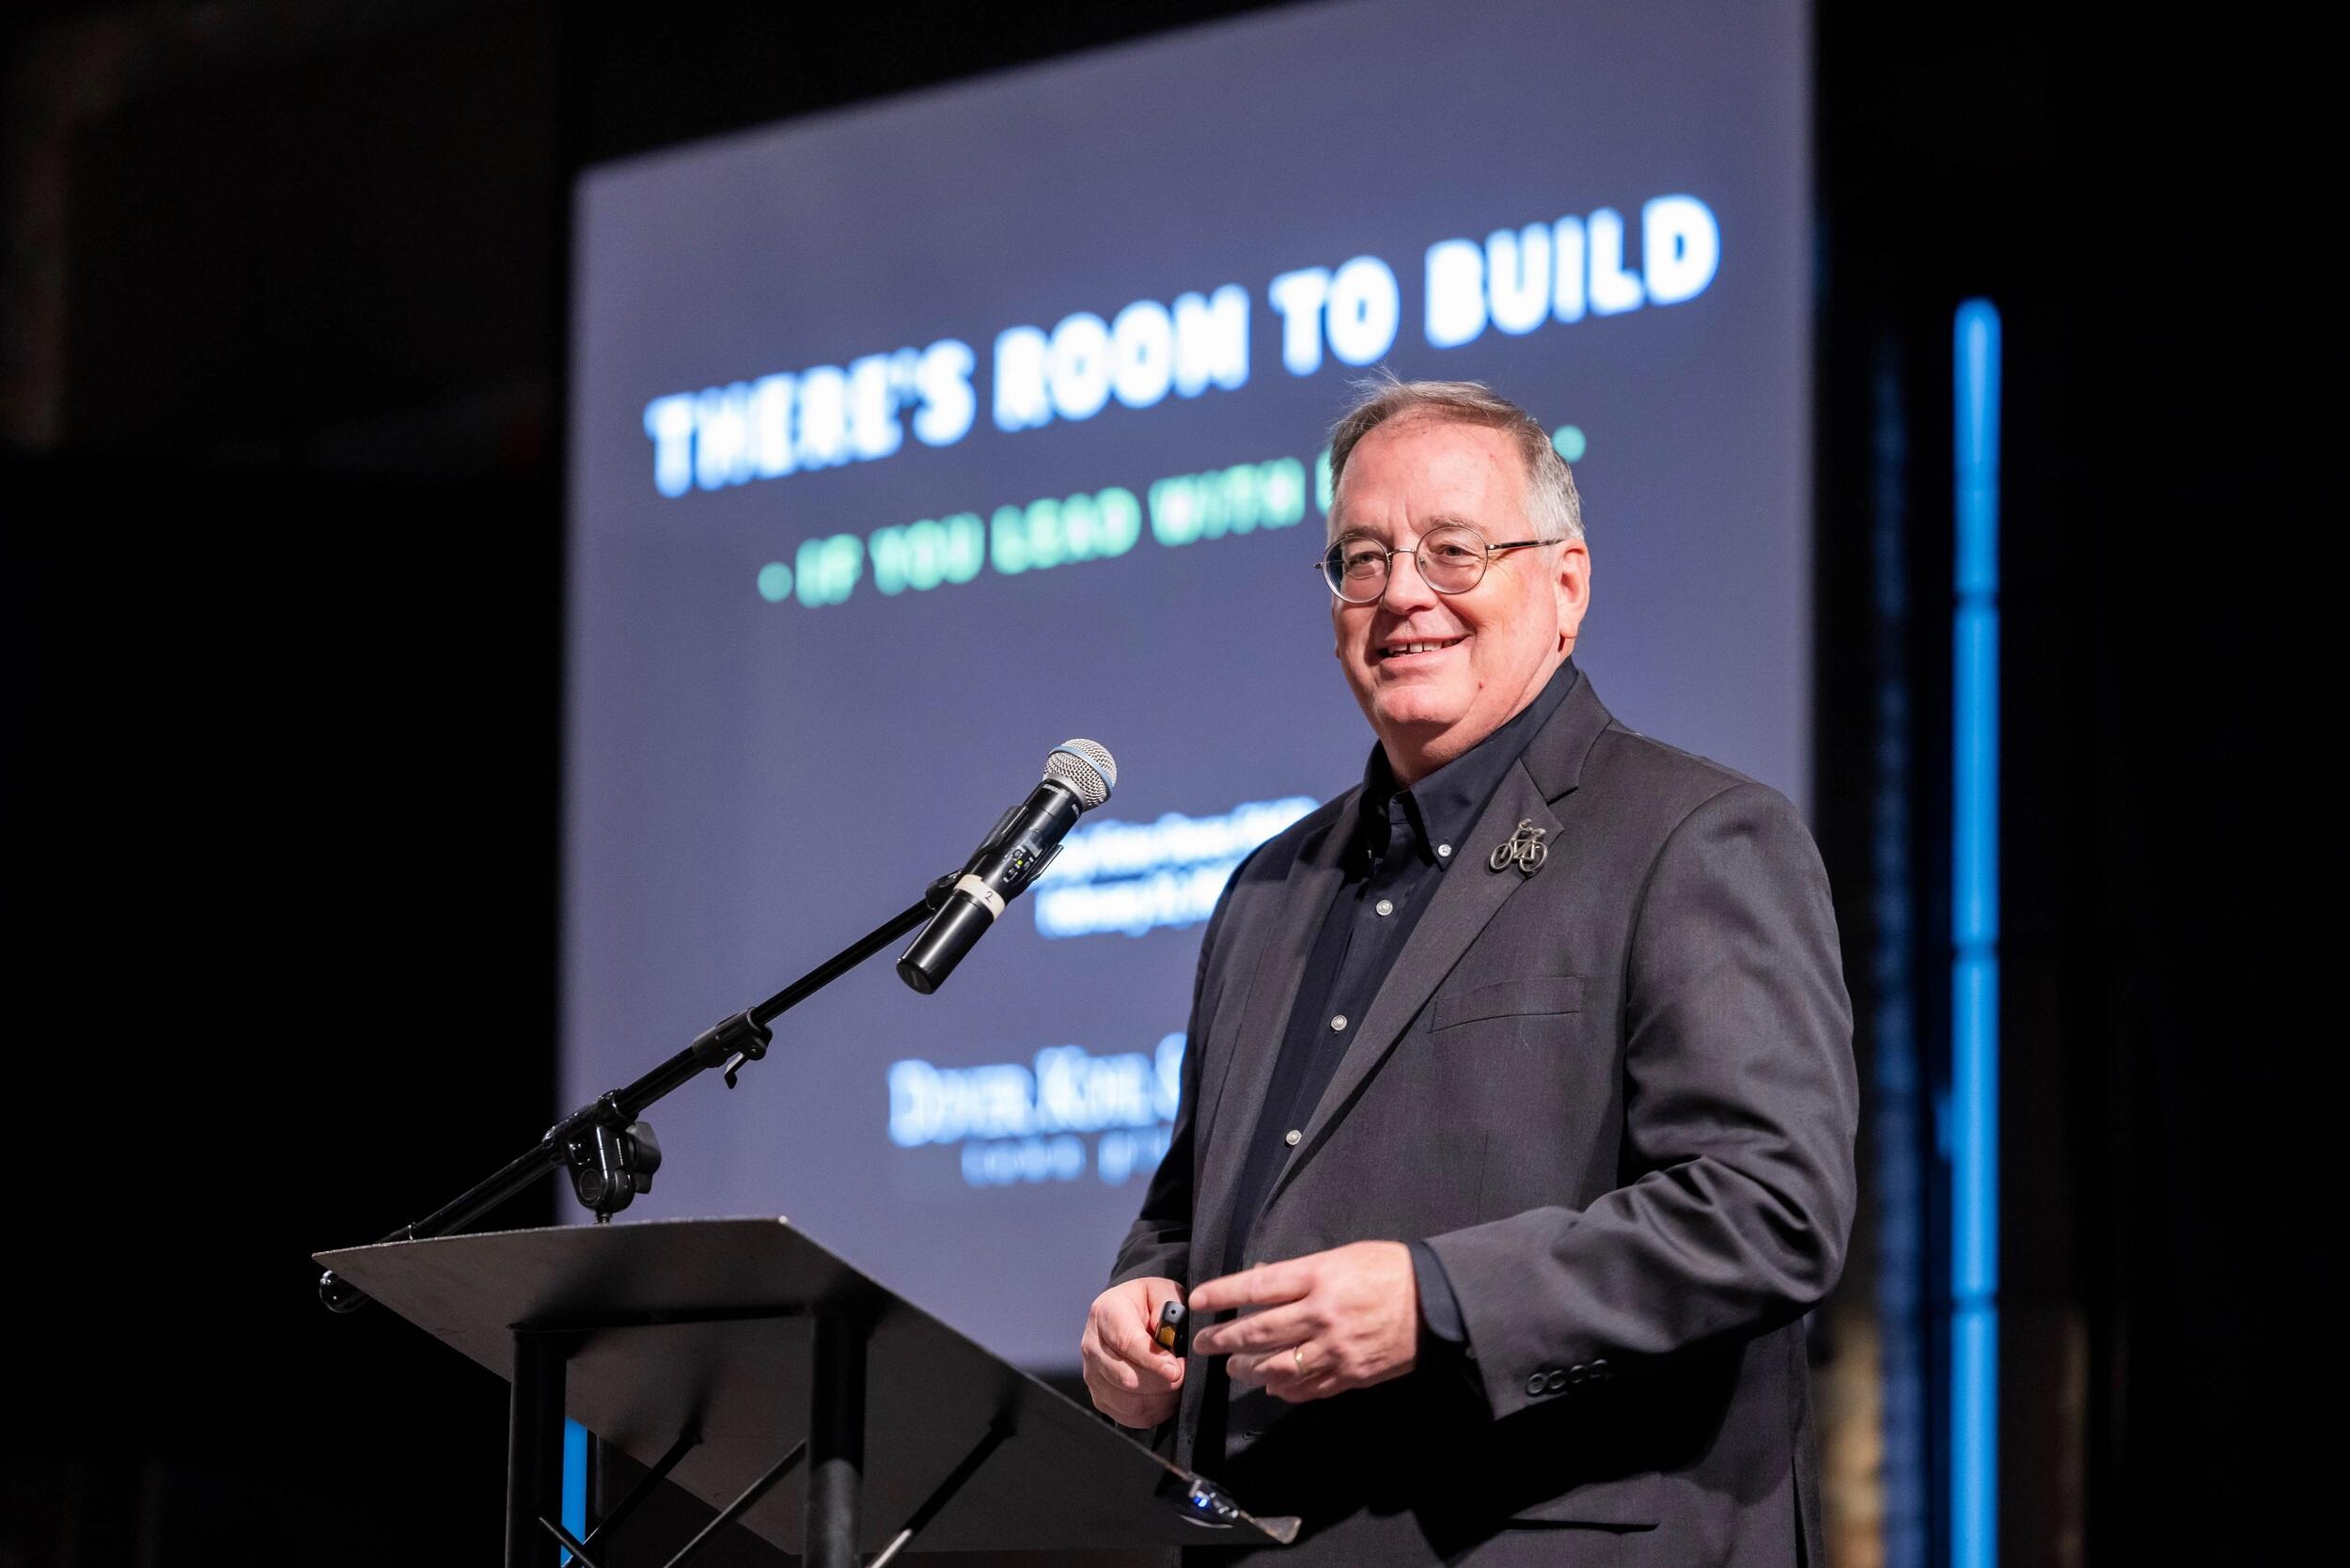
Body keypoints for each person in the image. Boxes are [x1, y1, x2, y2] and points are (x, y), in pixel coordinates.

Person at [1079, 379, 1857, 1566]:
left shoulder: (1693, 836)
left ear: (1565, 585)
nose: (1402, 593)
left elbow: (1769, 1210)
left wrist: (1436, 1301)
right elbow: (1187, 1218)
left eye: (1454, 550)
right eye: (1362, 559)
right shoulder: (1266, 891)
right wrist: (1144, 1315)